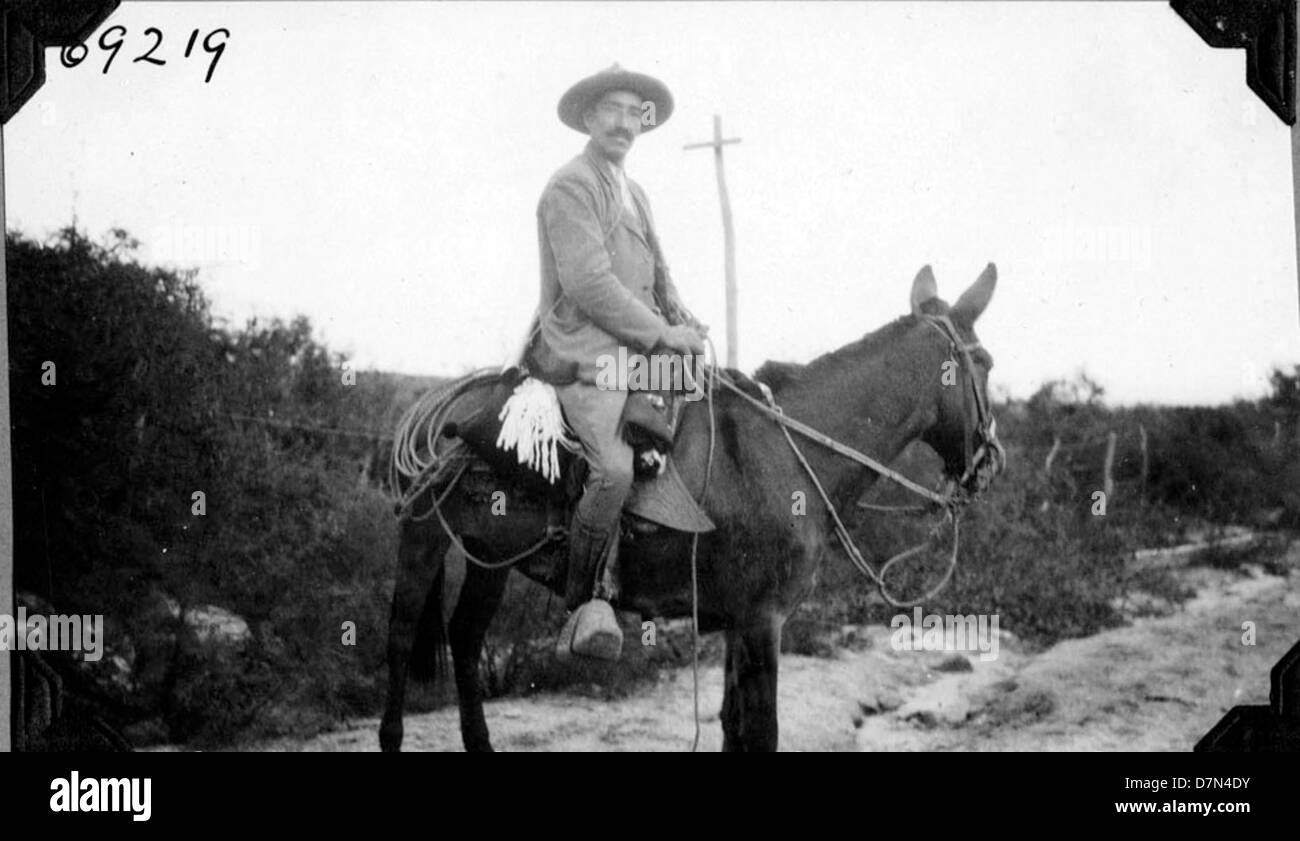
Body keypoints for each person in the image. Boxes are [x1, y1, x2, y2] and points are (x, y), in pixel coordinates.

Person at [526, 64, 705, 659]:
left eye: (636, 113)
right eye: (613, 110)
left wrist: (681, 317)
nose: (625, 123)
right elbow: (588, 283)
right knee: (616, 467)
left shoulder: (636, 191)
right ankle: (581, 603)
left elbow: (659, 271)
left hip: (637, 347)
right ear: (589, 117)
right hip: (586, 349)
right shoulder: (571, 186)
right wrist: (660, 336)